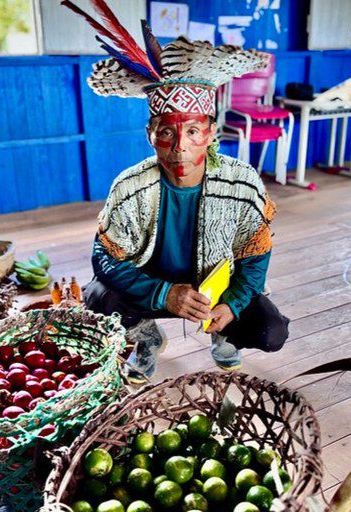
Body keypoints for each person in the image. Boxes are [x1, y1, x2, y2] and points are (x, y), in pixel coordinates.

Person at [63, 0, 290, 383]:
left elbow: (255, 257)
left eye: (193, 131)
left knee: (271, 331)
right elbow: (105, 259)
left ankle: (225, 335)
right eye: (166, 131)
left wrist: (233, 304)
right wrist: (164, 294)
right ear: (150, 135)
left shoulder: (242, 182)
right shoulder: (130, 187)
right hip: (153, 285)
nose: (179, 146)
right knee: (99, 299)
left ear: (211, 134)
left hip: (215, 287)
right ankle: (147, 338)